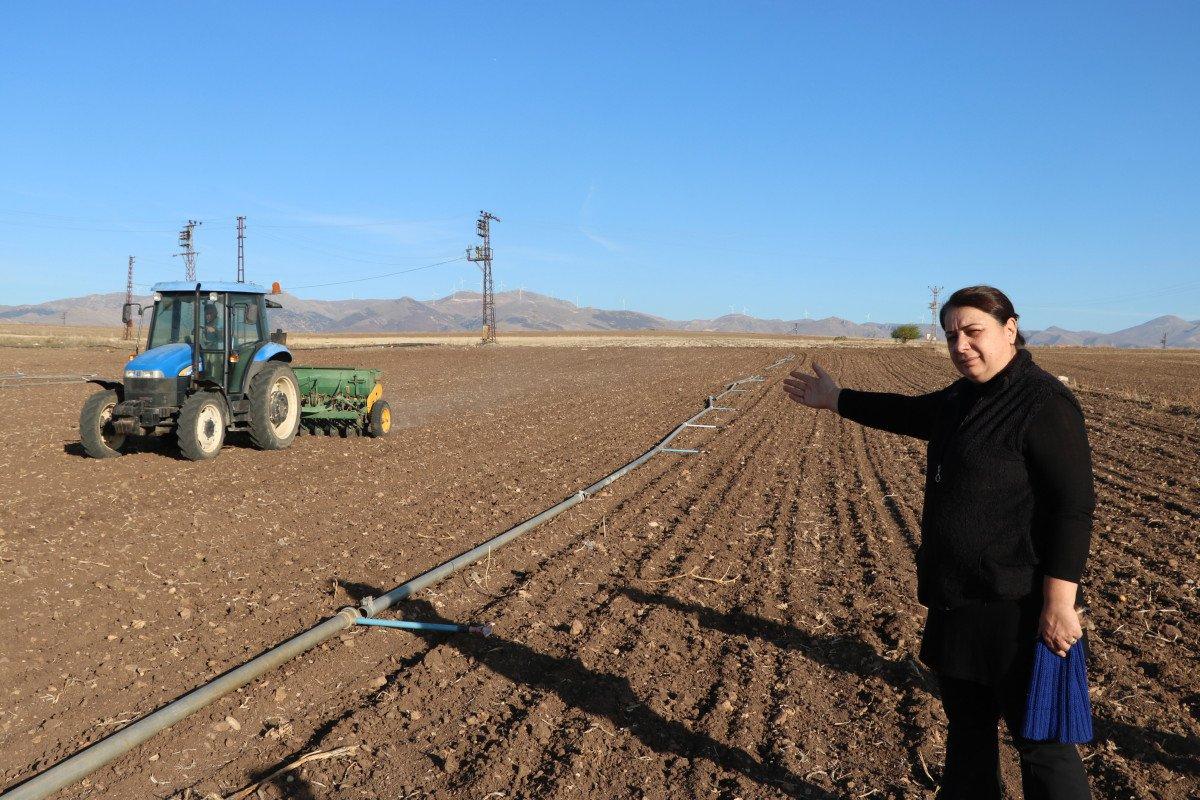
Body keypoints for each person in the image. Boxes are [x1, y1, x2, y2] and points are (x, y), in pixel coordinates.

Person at [783, 286, 1093, 799]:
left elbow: (1072, 509)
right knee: (968, 732)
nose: (961, 345)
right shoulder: (961, 398)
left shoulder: (1042, 402)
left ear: (1009, 329)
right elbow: (905, 413)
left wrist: (1060, 603)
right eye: (952, 335)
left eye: (974, 331)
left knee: (1041, 743)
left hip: (1015, 604)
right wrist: (836, 399)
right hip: (957, 601)